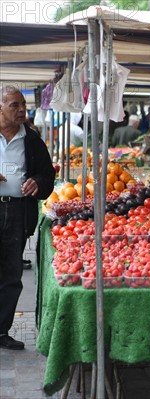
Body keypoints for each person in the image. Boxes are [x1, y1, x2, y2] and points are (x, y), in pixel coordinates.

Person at [0, 86, 55, 350]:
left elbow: (48, 175)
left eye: (23, 104)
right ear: (0, 107)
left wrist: (38, 183)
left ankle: (1, 332)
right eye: (14, 105)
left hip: (18, 212)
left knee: (11, 273)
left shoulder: (31, 139)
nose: (22, 109)